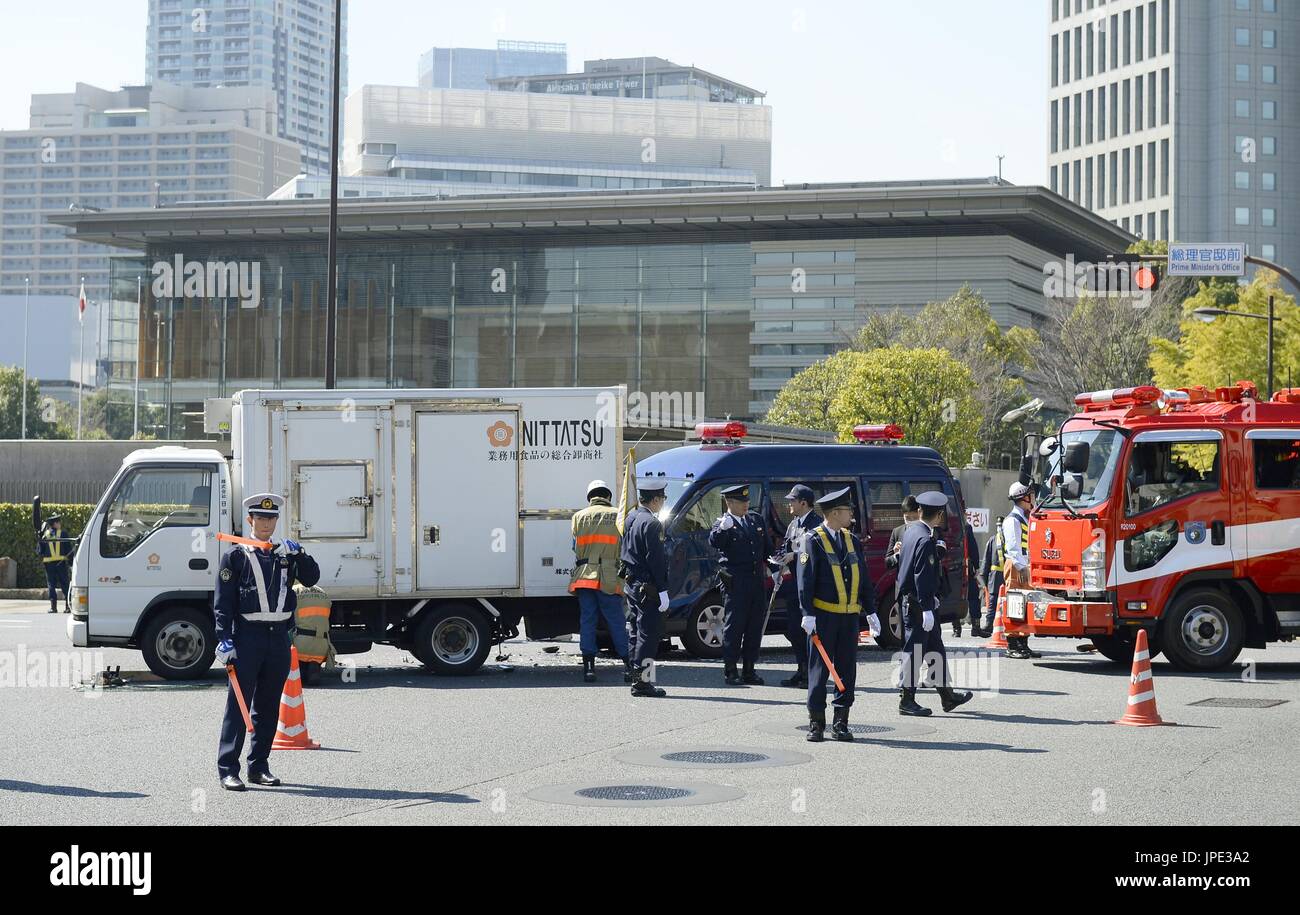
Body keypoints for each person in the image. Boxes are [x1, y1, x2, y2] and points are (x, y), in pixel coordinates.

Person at [216, 493, 320, 791]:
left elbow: (312, 578)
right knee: (239, 706)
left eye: (271, 518)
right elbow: (223, 603)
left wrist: (300, 554)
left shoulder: (284, 554)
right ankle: (228, 769)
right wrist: (224, 638)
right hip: (247, 636)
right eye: (260, 518)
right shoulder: (235, 556)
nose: (266, 523)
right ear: (250, 520)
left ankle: (258, 766)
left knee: (268, 706)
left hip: (278, 638)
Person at [797, 487, 880, 742]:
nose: (851, 514)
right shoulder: (812, 540)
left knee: (846, 669)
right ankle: (816, 722)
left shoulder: (851, 540)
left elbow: (863, 578)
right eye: (848, 510)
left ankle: (841, 722)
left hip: (848, 619)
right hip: (823, 616)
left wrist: (871, 611)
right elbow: (805, 580)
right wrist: (807, 613)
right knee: (819, 670)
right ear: (834, 513)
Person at [895, 491, 973, 717]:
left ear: (919, 511)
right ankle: (906, 699)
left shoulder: (911, 531)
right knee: (915, 651)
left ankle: (946, 695)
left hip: (917, 602)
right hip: (919, 605)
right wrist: (927, 607)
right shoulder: (924, 538)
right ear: (939, 515)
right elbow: (923, 575)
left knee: (935, 649)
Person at [569, 479, 630, 683]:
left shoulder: (578, 517)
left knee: (588, 621)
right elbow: (624, 546)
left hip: (585, 576)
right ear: (608, 496)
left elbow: (574, 546)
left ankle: (588, 669)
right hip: (609, 576)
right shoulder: (618, 516)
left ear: (590, 497)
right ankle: (629, 666)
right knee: (616, 621)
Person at [708, 483, 769, 685]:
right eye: (741, 501)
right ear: (729, 502)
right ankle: (731, 670)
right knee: (734, 627)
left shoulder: (754, 520)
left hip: (756, 582)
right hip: (736, 583)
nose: (746, 505)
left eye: (747, 501)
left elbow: (766, 550)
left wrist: (776, 569)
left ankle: (749, 668)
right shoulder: (723, 524)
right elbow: (714, 542)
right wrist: (722, 530)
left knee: (754, 626)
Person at [620, 478, 671, 698]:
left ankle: (633, 672)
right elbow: (656, 560)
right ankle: (643, 682)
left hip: (632, 584)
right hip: (647, 586)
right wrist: (663, 590)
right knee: (649, 635)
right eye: (663, 498)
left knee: (635, 631)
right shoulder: (652, 523)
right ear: (657, 499)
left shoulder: (631, 518)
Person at [768, 484, 821, 688]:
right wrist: (779, 557)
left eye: (792, 500)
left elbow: (815, 553)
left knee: (809, 631)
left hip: (809, 585)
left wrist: (795, 555)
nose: (789, 503)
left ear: (803, 503)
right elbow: (786, 546)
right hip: (795, 585)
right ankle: (801, 669)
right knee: (794, 630)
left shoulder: (816, 524)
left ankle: (811, 673)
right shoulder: (793, 524)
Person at [1002, 482, 1040, 660]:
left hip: (1024, 566)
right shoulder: (1012, 520)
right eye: (1030, 495)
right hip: (1017, 565)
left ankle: (1023, 644)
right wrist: (1022, 567)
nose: (1032, 498)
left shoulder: (1024, 518)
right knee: (1015, 603)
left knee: (1025, 605)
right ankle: (1012, 644)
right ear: (1023, 497)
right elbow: (1013, 548)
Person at [39, 514, 73, 614]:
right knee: (65, 585)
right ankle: (68, 607)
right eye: (59, 522)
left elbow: (40, 551)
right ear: (55, 523)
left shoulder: (45, 535)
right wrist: (71, 563)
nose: (60, 524)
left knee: (51, 585)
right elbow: (69, 551)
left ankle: (53, 608)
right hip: (61, 564)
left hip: (49, 565)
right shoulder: (63, 534)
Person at [979, 514, 1005, 635]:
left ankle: (992, 624)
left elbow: (985, 561)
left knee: (1001, 601)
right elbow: (986, 560)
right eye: (998, 526)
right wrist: (983, 576)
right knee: (993, 601)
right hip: (997, 575)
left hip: (1000, 575)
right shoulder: (993, 540)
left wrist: (983, 575)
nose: (999, 528)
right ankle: (990, 623)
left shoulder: (995, 539)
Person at [884, 495, 921, 571]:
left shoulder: (930, 530)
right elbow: (887, 563)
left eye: (914, 518)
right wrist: (897, 555)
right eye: (907, 518)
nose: (911, 521)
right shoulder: (897, 532)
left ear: (920, 514)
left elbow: (939, 555)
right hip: (904, 580)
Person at [964, 520, 984, 637]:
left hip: (950, 567)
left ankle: (956, 629)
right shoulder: (966, 527)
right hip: (966, 568)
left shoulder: (942, 526)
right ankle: (975, 627)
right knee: (973, 597)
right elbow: (973, 548)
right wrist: (976, 567)